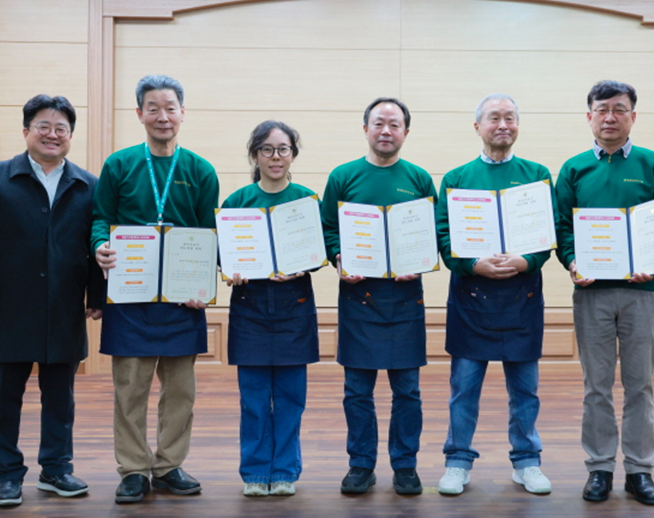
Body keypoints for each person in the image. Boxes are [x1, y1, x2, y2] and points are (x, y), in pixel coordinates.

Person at [0, 94, 103, 507]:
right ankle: (6, 475)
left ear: (70, 136)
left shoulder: (88, 184)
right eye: (43, 126)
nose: (52, 134)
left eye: (61, 128)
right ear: (26, 132)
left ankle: (56, 469)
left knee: (60, 398)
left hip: (64, 308)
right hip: (8, 306)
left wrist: (98, 295)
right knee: (4, 397)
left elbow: (98, 244)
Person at [92, 75, 219, 504]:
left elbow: (208, 234)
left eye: (170, 108)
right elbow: (99, 218)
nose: (162, 116)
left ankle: (168, 465)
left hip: (183, 300)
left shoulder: (200, 170)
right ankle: (132, 469)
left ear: (183, 113)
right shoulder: (119, 164)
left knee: (181, 390)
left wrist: (204, 284)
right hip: (130, 295)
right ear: (139, 114)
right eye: (153, 108)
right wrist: (99, 246)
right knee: (130, 389)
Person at [555, 80, 654, 506]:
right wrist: (572, 262)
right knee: (596, 386)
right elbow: (561, 229)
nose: (610, 117)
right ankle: (599, 469)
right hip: (592, 293)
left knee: (640, 385)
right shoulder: (573, 168)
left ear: (633, 115)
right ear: (589, 116)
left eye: (619, 109)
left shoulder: (652, 164)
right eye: (602, 109)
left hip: (642, 292)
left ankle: (640, 470)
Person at [434, 94, 554, 496]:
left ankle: (527, 461)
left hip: (521, 300)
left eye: (510, 118)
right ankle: (457, 461)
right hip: (472, 301)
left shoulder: (537, 174)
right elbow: (444, 237)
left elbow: (547, 235)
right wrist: (471, 265)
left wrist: (527, 261)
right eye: (494, 118)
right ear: (478, 126)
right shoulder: (456, 178)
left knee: (525, 391)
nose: (502, 125)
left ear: (518, 126)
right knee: (464, 389)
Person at [320, 97, 436, 495]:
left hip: (405, 298)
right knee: (357, 391)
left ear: (405, 131)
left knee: (408, 391)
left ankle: (405, 465)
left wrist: (420, 260)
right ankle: (361, 465)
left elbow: (431, 234)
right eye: (379, 123)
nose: (386, 131)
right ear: (365, 128)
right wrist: (338, 257)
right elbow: (327, 229)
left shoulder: (419, 179)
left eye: (394, 124)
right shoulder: (343, 176)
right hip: (358, 297)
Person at [221, 121, 320, 497]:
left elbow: (319, 250)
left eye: (283, 149)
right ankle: (254, 472)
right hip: (250, 310)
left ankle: (285, 472)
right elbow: (223, 256)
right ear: (254, 155)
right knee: (255, 399)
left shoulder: (306, 199)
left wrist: (304, 264)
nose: (275, 157)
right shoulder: (237, 202)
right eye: (267, 149)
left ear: (293, 154)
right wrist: (231, 271)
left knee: (292, 399)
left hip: (294, 308)